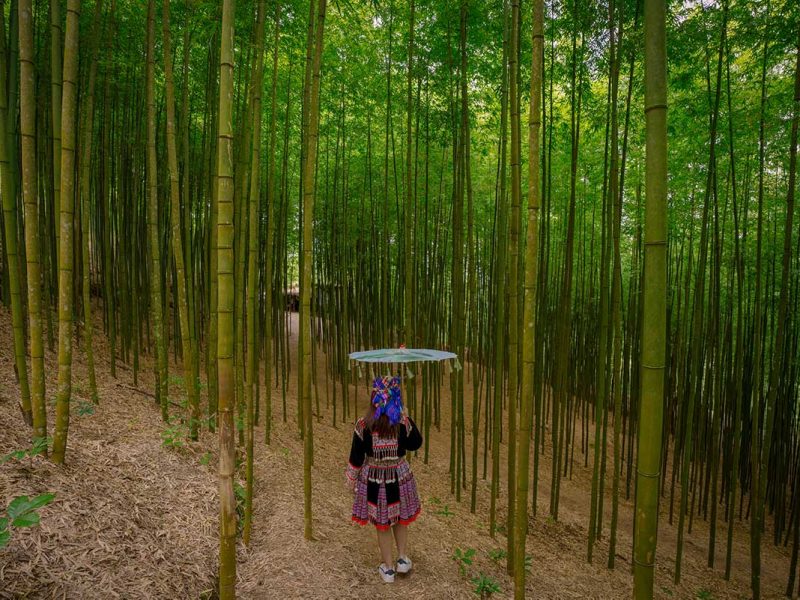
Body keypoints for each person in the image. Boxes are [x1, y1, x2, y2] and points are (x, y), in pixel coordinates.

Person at [346, 375, 423, 583]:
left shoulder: (364, 425)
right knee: (400, 518)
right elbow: (416, 443)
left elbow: (356, 456)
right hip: (400, 477)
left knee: (383, 523)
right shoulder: (400, 422)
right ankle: (402, 560)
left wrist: (351, 480)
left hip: (374, 480)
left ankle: (388, 569)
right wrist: (407, 417)